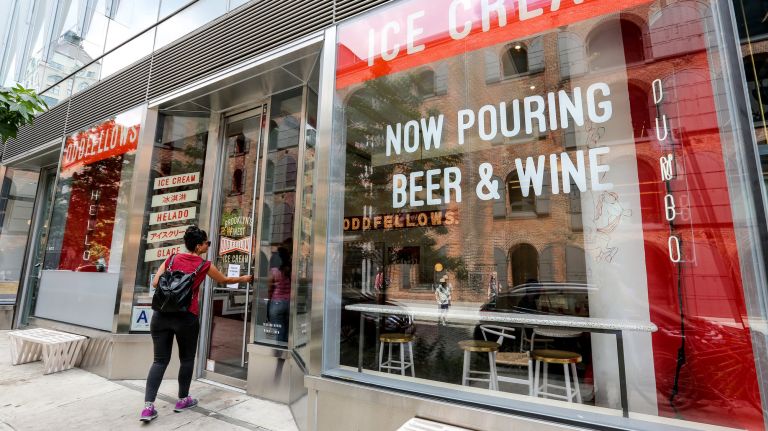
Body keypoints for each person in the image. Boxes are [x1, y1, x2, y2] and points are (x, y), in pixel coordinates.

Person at [140, 226, 253, 423]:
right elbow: (224, 280)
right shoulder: (204, 265)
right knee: (186, 359)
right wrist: (244, 278)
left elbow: (156, 283)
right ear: (199, 246)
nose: (208, 246)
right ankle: (183, 399)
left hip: (161, 316)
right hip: (186, 317)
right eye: (206, 243)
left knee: (159, 361)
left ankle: (148, 408)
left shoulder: (171, 259)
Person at [267, 244, 292, 343]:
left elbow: (269, 288)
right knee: (286, 330)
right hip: (289, 303)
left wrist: (268, 301)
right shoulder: (290, 270)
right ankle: (285, 348)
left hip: (276, 302)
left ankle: (279, 349)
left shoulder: (274, 271)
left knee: (278, 330)